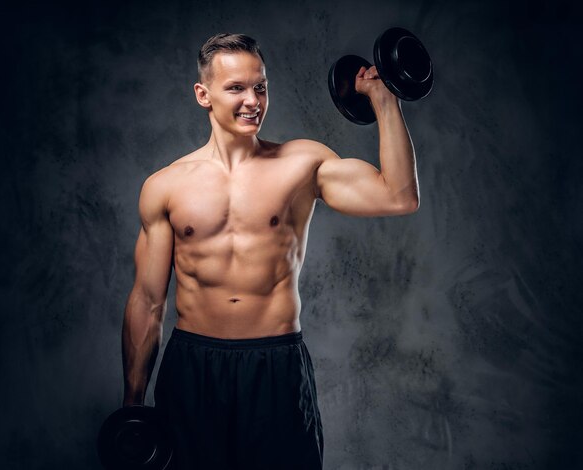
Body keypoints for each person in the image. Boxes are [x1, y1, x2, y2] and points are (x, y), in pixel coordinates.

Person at [121, 32, 419, 470]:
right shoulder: (166, 186)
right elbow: (148, 302)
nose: (252, 101)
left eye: (260, 87)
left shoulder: (302, 164)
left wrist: (382, 96)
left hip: (276, 366)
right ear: (203, 95)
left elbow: (398, 195)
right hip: (193, 368)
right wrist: (132, 404)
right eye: (236, 88)